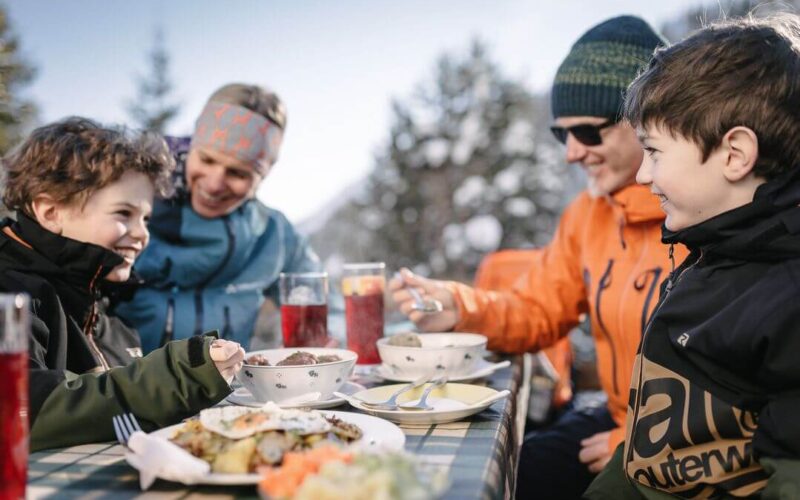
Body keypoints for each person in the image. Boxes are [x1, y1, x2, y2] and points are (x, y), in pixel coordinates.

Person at [389, 16, 688, 499]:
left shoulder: (704, 212)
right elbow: (538, 309)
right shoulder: (587, 214)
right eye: (560, 134)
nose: (572, 153)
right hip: (619, 416)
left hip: (677, 440)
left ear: (647, 121)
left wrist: (646, 443)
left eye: (587, 131)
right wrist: (459, 307)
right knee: (510, 472)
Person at [585, 14, 800, 499]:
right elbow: (648, 450)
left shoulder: (786, 300)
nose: (642, 175)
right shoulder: (706, 259)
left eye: (655, 152)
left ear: (734, 154)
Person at [0, 117, 244, 451]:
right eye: (123, 214)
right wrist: (178, 374)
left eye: (145, 218)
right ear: (51, 212)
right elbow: (20, 409)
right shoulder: (10, 294)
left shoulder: (109, 317)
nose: (142, 234)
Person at [114, 83, 321, 353]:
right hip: (126, 377)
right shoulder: (128, 212)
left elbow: (323, 303)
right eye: (207, 160)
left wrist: (321, 340)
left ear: (262, 176)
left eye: (237, 173)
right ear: (192, 146)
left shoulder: (274, 236)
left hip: (227, 380)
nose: (214, 184)